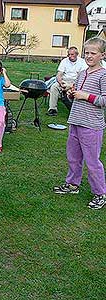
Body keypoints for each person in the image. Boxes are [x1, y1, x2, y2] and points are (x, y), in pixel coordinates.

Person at [53, 37, 106, 210]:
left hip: (92, 125)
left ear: (102, 55)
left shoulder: (103, 75)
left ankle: (100, 193)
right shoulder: (83, 72)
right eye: (87, 53)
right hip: (76, 120)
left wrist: (85, 96)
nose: (89, 56)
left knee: (92, 162)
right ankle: (72, 184)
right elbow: (79, 95)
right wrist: (72, 93)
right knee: (73, 157)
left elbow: (104, 100)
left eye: (93, 53)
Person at [47, 46, 87, 116]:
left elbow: (82, 76)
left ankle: (75, 111)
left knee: (71, 90)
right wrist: (60, 83)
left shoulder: (82, 62)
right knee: (54, 86)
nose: (70, 56)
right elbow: (59, 74)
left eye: (72, 54)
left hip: (76, 81)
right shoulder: (64, 61)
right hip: (64, 80)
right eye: (69, 54)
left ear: (77, 54)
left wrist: (72, 85)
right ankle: (52, 109)